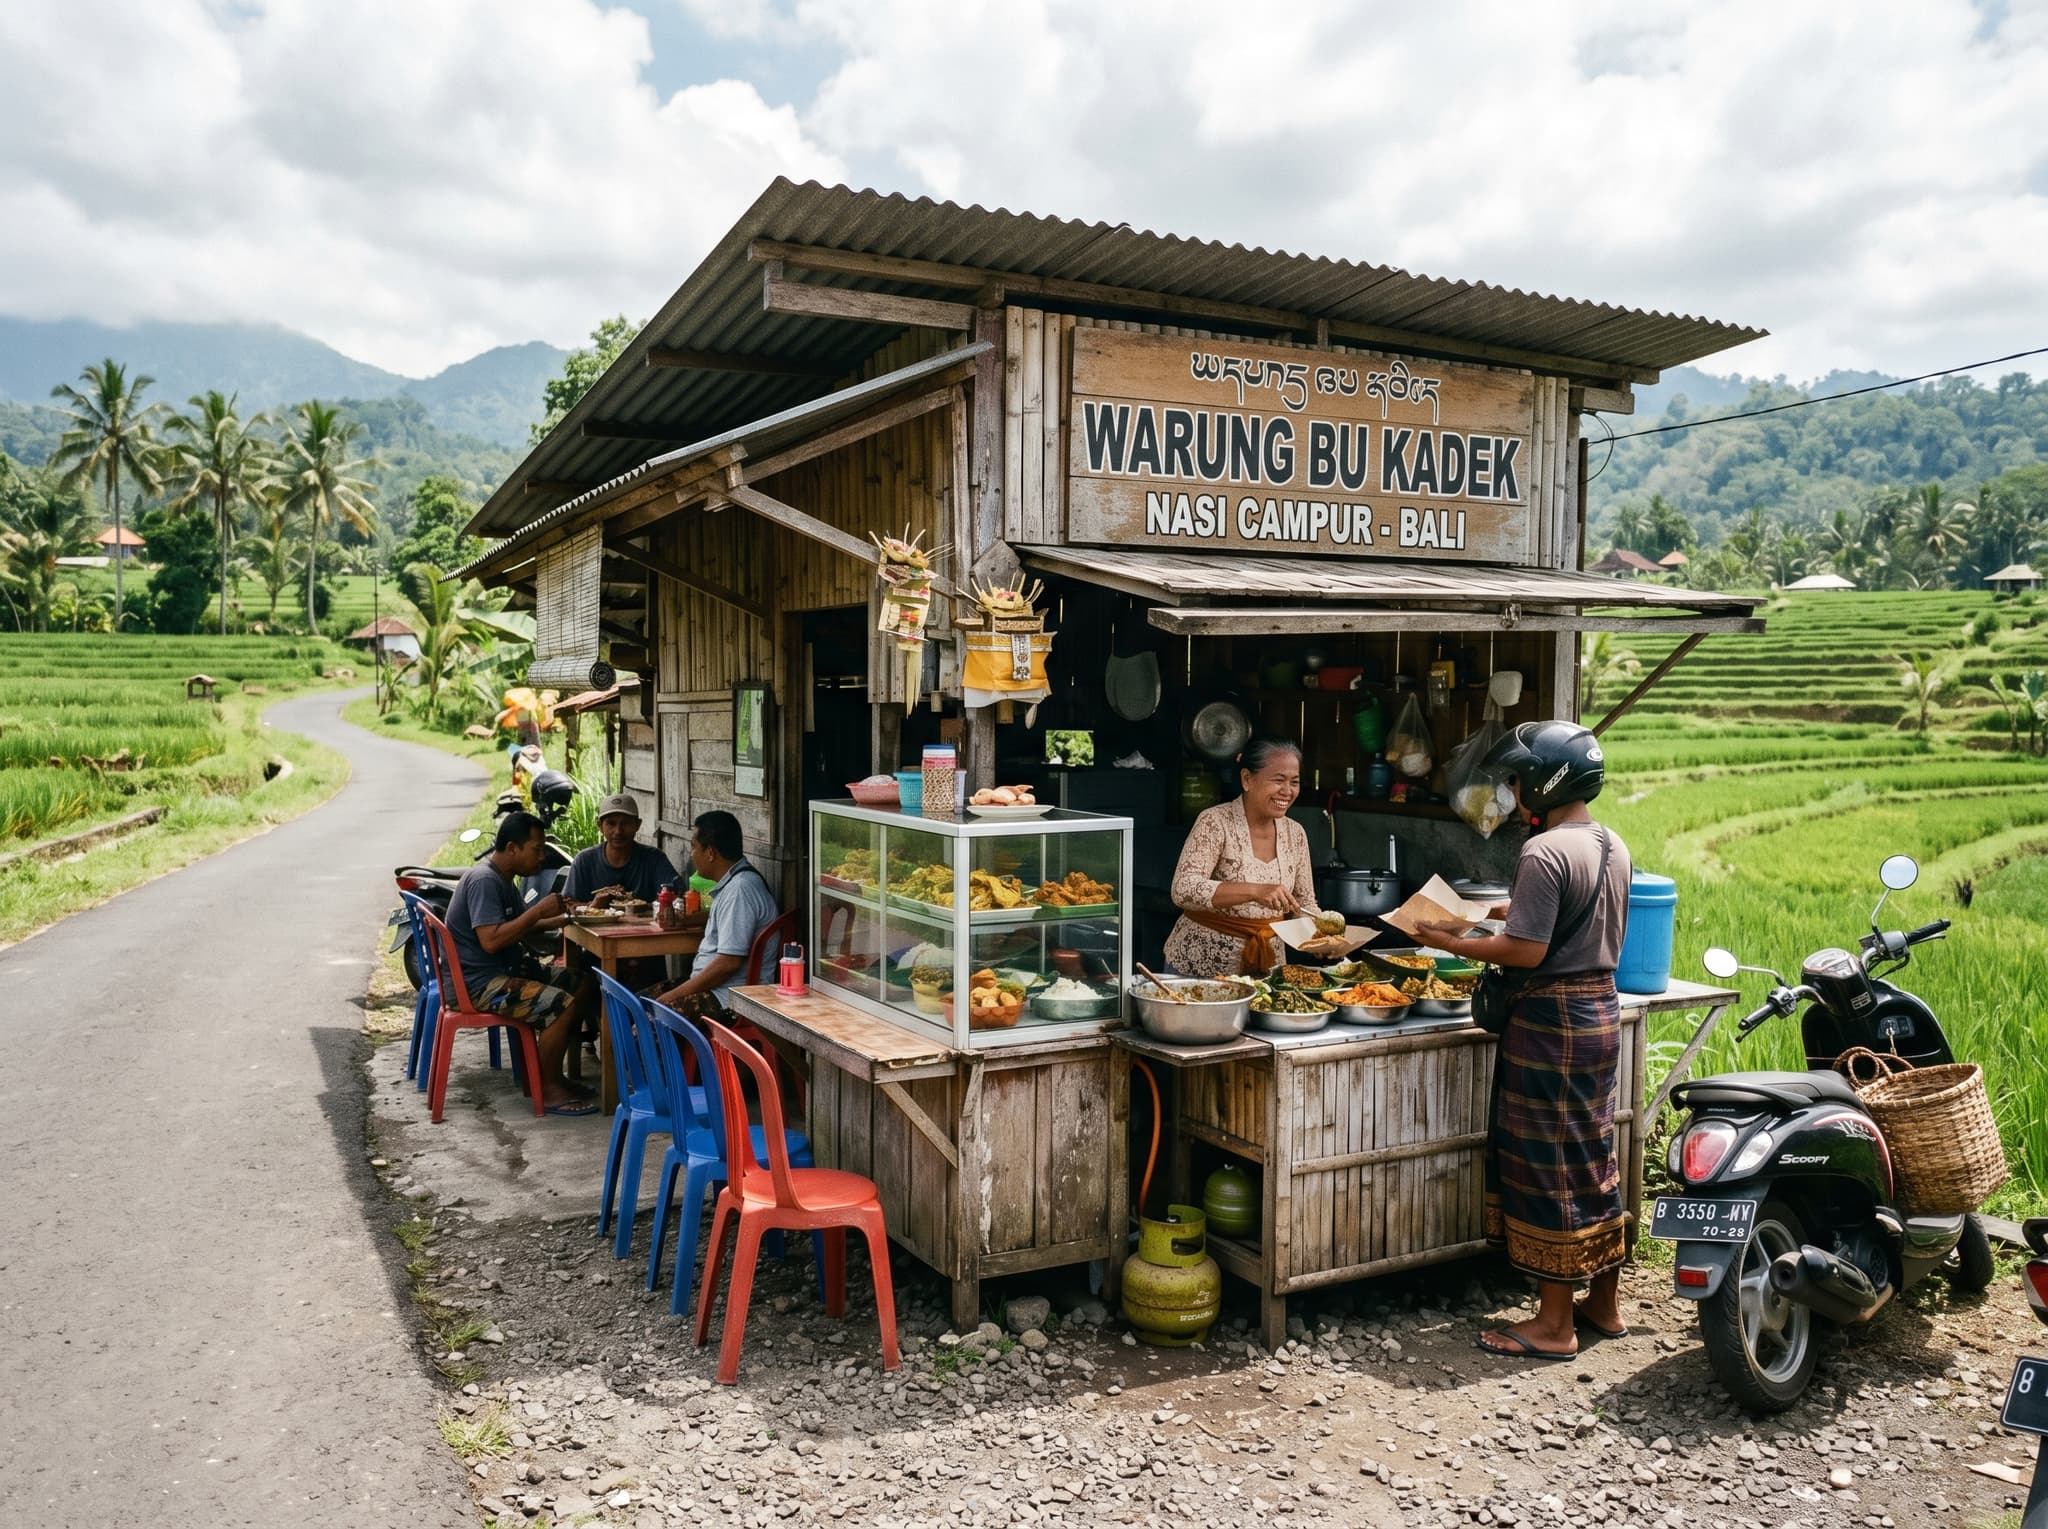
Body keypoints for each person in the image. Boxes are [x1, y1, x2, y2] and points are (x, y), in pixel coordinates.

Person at [1416, 720, 1633, 1361]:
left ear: (1545, 779)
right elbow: (1570, 917)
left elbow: (1529, 949)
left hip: (1549, 1021)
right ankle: (1604, 1304)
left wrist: (1447, 939)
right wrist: (1495, 914)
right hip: (1598, 1012)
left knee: (1547, 1166)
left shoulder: (1542, 852)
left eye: (1517, 776)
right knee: (1592, 1157)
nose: (1512, 788)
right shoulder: (1610, 843)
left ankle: (1553, 1325)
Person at [444, 811, 592, 1114]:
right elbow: (492, 940)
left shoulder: (502, 878)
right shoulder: (484, 881)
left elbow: (521, 926)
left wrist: (567, 917)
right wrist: (538, 911)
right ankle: (545, 1088)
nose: (541, 858)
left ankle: (551, 1074)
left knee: (583, 983)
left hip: (502, 971)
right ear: (513, 848)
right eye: (536, 850)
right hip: (479, 984)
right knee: (560, 1004)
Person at [1163, 737, 1322, 978]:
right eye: (1278, 780)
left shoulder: (1295, 833)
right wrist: (1256, 891)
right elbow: (1183, 889)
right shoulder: (1215, 822)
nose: (1287, 791)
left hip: (1267, 970)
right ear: (1247, 779)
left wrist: (1320, 937)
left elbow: (1304, 903)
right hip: (1197, 970)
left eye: (1295, 782)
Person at [651, 810, 781, 1019]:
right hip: (715, 989)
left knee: (649, 1021)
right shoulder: (735, 883)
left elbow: (728, 963)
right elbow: (726, 918)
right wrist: (687, 919)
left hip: (729, 999)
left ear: (710, 853)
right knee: (638, 1004)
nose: (691, 854)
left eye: (694, 847)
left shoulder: (740, 890)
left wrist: (672, 997)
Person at [565, 793, 675, 908]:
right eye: (611, 823)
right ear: (600, 826)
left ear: (637, 825)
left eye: (625, 823)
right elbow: (568, 905)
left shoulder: (654, 859)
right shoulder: (584, 861)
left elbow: (676, 895)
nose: (618, 831)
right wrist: (593, 905)